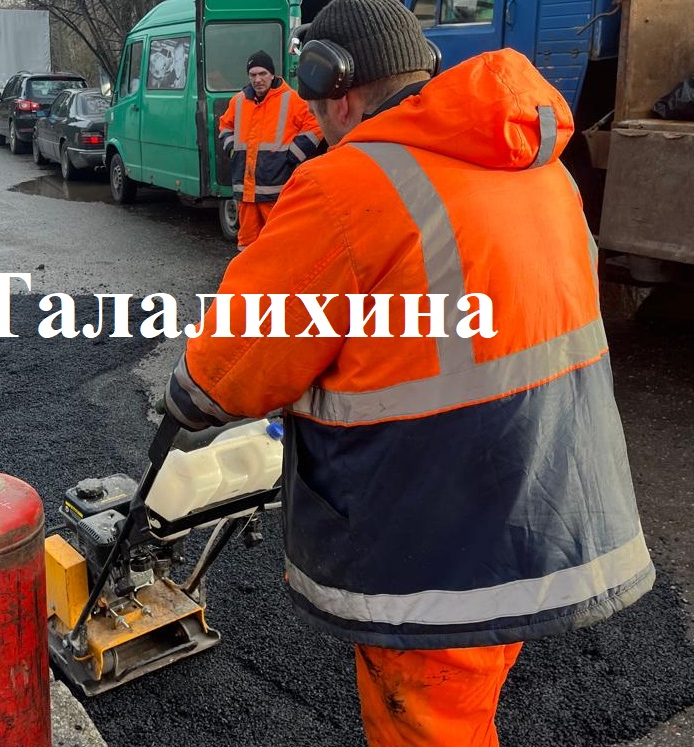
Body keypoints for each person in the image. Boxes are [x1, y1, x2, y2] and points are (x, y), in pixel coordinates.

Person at [165, 1, 655, 744]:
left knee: (428, 726)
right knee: (469, 705)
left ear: (336, 87)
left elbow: (237, 361)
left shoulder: (349, 185)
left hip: (442, 529)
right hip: (549, 500)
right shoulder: (534, 161)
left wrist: (188, 397)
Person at [218, 50, 321, 251]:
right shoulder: (239, 100)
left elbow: (315, 124)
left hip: (275, 189)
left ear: (272, 74)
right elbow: (225, 125)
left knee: (278, 243)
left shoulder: (291, 99)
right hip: (246, 193)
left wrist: (293, 155)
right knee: (247, 245)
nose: (257, 79)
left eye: (262, 73)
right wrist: (232, 149)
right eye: (253, 75)